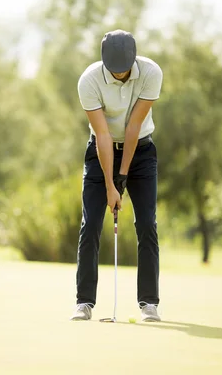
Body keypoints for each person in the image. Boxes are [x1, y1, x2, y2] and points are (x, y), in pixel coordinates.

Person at [70, 29, 163, 322]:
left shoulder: (151, 72)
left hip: (141, 152)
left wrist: (123, 176)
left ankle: (149, 303)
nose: (121, 74)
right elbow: (103, 134)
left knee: (147, 222)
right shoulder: (89, 80)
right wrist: (111, 184)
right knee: (91, 224)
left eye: (125, 69)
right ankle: (84, 302)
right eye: (115, 70)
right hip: (101, 151)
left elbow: (134, 126)